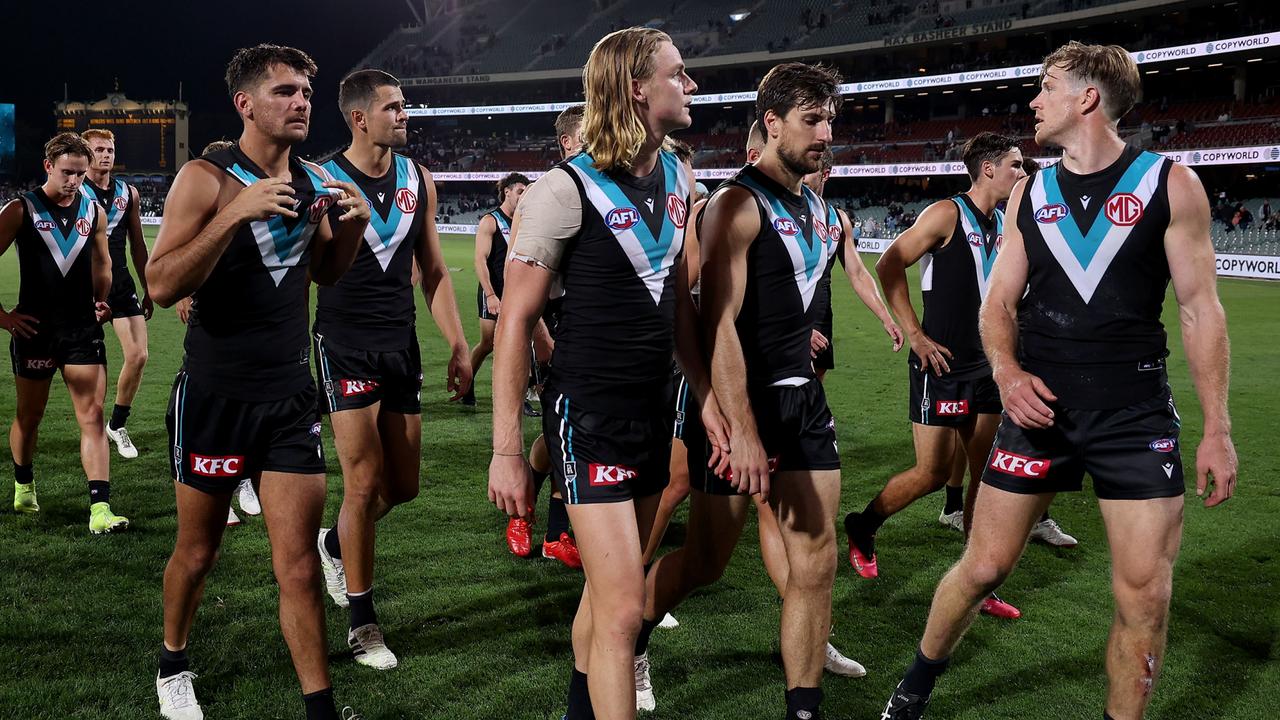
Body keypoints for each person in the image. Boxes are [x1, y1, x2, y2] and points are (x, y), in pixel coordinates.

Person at [880, 42, 1237, 720]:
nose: (1033, 102)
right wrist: (1008, 372)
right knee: (983, 566)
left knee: (1145, 595)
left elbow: (1200, 309)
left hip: (1134, 413)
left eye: (1046, 87)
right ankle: (916, 684)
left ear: (1088, 98)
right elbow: (999, 305)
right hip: (1036, 407)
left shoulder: (1170, 184)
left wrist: (1217, 428)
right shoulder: (1028, 193)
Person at [487, 27, 723, 720]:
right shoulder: (562, 190)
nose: (693, 86)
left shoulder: (679, 176)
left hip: (654, 409)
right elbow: (514, 323)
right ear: (635, 88)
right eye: (679, 74)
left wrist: (705, 395)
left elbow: (678, 304)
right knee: (623, 610)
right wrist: (507, 450)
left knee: (604, 597)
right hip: (587, 414)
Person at [147, 44, 369, 720]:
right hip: (213, 397)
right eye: (284, 91)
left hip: (289, 399)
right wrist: (235, 213)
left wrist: (352, 231)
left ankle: (320, 707)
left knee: (299, 565)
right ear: (245, 103)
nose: (301, 101)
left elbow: (325, 273)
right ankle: (173, 661)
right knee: (198, 549)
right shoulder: (204, 178)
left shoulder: (312, 181)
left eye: (305, 91)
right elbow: (159, 284)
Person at [679, 61, 850, 720]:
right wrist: (742, 428)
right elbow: (714, 320)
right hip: (739, 410)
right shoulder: (735, 204)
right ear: (771, 122)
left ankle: (803, 710)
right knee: (705, 564)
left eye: (830, 118)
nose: (825, 132)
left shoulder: (814, 204)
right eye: (812, 119)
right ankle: (629, 635)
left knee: (816, 560)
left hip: (803, 401)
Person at [313, 68, 470, 671]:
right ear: (359, 117)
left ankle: (335, 542)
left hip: (400, 348)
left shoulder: (418, 178)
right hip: (345, 344)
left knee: (401, 487)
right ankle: (362, 623)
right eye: (394, 108)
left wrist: (458, 345)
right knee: (361, 479)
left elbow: (432, 272)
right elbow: (308, 266)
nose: (405, 115)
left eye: (405, 106)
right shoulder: (323, 180)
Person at [844, 132, 1027, 619]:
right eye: (1014, 165)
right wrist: (916, 334)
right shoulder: (947, 213)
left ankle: (976, 583)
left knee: (985, 478)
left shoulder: (1005, 222)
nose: (1021, 174)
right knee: (930, 474)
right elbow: (888, 263)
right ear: (987, 169)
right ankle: (863, 526)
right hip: (941, 366)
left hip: (988, 368)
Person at [0, 132, 123, 533]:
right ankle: (23, 483)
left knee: (92, 415)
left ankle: (100, 509)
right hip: (34, 330)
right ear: (48, 166)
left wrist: (102, 299)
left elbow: (102, 262)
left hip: (81, 330)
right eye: (67, 172)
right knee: (29, 416)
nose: (74, 181)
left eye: (81, 174)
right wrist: (3, 317)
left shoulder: (94, 211)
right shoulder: (21, 209)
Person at [503, 107, 584, 569]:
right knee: (556, 435)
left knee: (566, 434)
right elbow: (523, 292)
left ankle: (556, 532)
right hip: (551, 327)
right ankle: (526, 515)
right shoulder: (546, 194)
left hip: (584, 328)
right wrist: (541, 339)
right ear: (567, 144)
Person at [80, 129, 151, 460]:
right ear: (86, 152)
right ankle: (91, 431)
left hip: (121, 284)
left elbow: (137, 244)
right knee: (88, 367)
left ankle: (117, 424)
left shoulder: (128, 193)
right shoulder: (74, 189)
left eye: (109, 149)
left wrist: (149, 286)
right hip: (82, 287)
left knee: (139, 355)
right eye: (98, 149)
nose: (106, 154)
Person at [460, 172, 533, 413]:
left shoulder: (524, 221)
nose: (524, 196)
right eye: (521, 191)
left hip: (517, 291)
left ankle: (519, 399)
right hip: (493, 291)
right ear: (507, 192)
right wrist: (490, 295)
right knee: (487, 344)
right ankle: (467, 384)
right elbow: (480, 261)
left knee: (519, 343)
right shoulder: (490, 221)